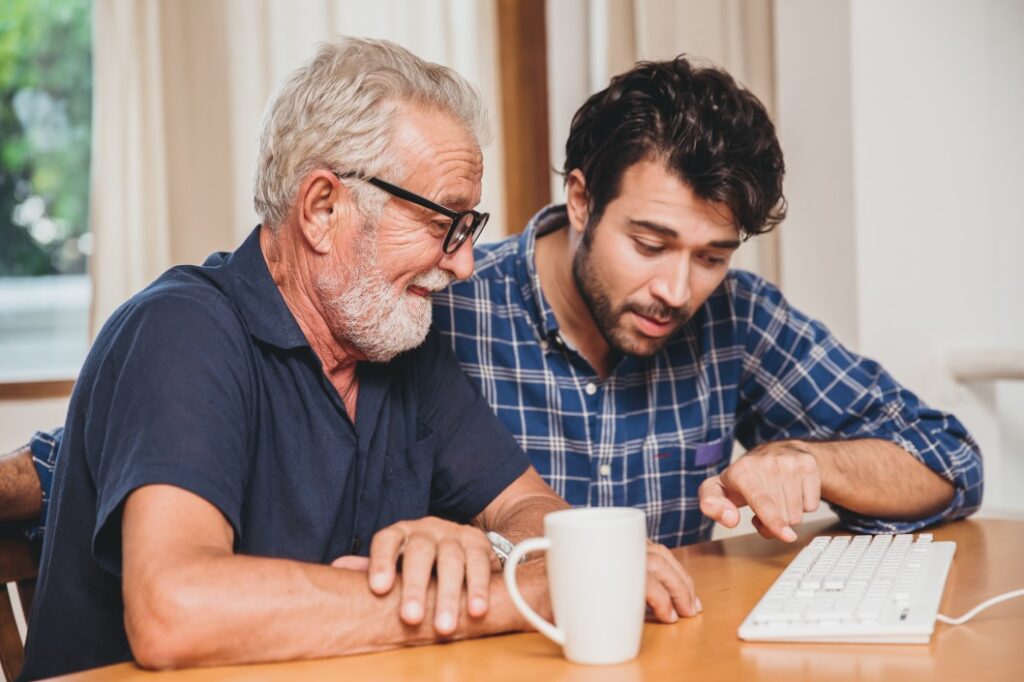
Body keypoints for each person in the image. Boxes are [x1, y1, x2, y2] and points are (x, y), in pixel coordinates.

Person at [16, 39, 697, 680]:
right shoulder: (180, 330)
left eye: (470, 229)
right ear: (322, 207)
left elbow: (532, 509)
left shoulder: (398, 346)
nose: (463, 266)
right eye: (442, 224)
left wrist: (480, 555)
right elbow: (176, 610)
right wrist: (481, 602)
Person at [432, 55, 983, 548]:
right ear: (581, 201)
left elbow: (950, 461)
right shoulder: (449, 306)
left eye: (712, 257)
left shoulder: (736, 318)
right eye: (650, 245)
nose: (676, 291)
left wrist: (811, 461)